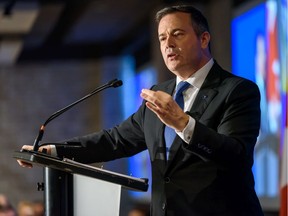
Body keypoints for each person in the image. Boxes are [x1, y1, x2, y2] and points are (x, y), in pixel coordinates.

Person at [18, 5, 264, 216]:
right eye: (162, 37)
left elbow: (236, 156)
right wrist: (53, 151)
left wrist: (183, 123)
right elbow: (116, 140)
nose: (168, 44)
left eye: (177, 34)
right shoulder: (161, 91)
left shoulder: (237, 90)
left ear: (204, 39)